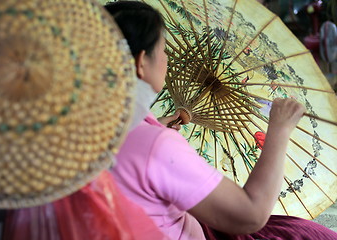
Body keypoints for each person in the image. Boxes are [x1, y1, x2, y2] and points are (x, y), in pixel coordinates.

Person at [105, 1, 337, 240]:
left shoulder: (91, 125)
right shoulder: (156, 145)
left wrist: (151, 126)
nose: (167, 58)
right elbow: (251, 216)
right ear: (141, 61)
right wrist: (279, 128)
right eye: (164, 50)